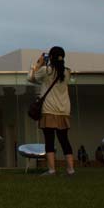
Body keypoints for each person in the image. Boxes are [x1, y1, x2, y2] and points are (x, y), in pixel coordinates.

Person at [28, 46, 75, 176]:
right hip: (64, 109)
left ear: (51, 57)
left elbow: (30, 78)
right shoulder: (67, 72)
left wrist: (38, 64)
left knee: (49, 140)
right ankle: (70, 169)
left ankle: (52, 170)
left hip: (49, 109)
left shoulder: (46, 70)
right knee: (64, 140)